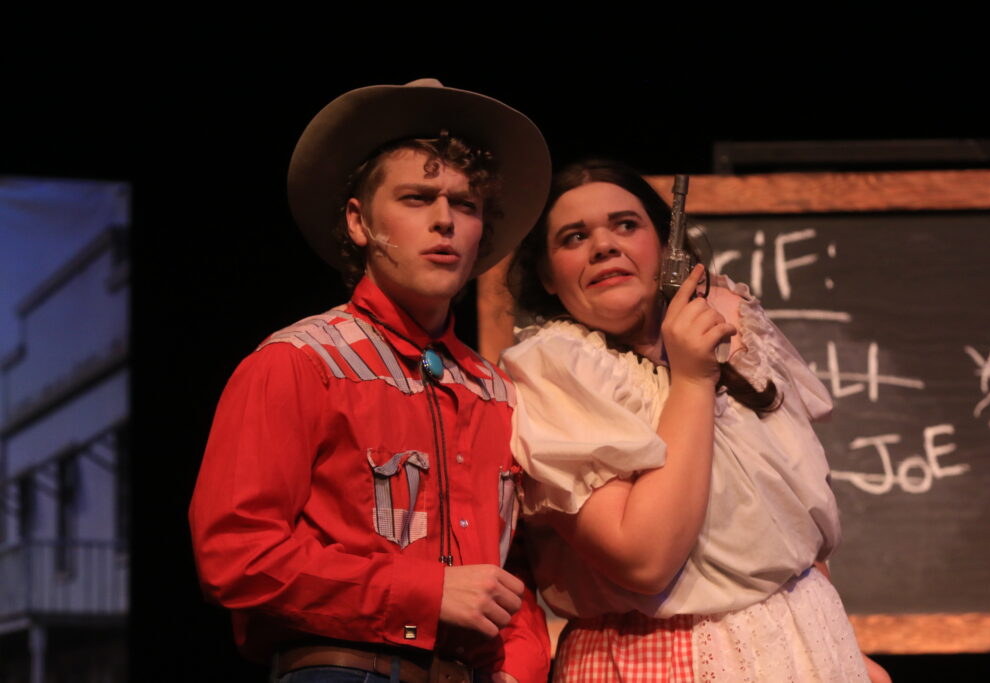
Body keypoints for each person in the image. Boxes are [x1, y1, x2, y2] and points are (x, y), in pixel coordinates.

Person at [189, 79, 552, 683]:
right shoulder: (299, 362)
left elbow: (512, 573)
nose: (445, 221)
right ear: (359, 221)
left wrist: (521, 666)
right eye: (417, 198)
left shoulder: (495, 390)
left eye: (465, 205)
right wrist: (422, 592)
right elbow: (236, 554)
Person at [501, 160, 890, 682]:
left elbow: (790, 522)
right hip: (659, 658)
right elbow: (643, 559)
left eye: (626, 225)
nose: (604, 246)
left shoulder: (734, 337)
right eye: (574, 237)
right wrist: (690, 380)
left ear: (666, 247)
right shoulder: (557, 371)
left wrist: (840, 647)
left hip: (805, 644)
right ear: (547, 275)